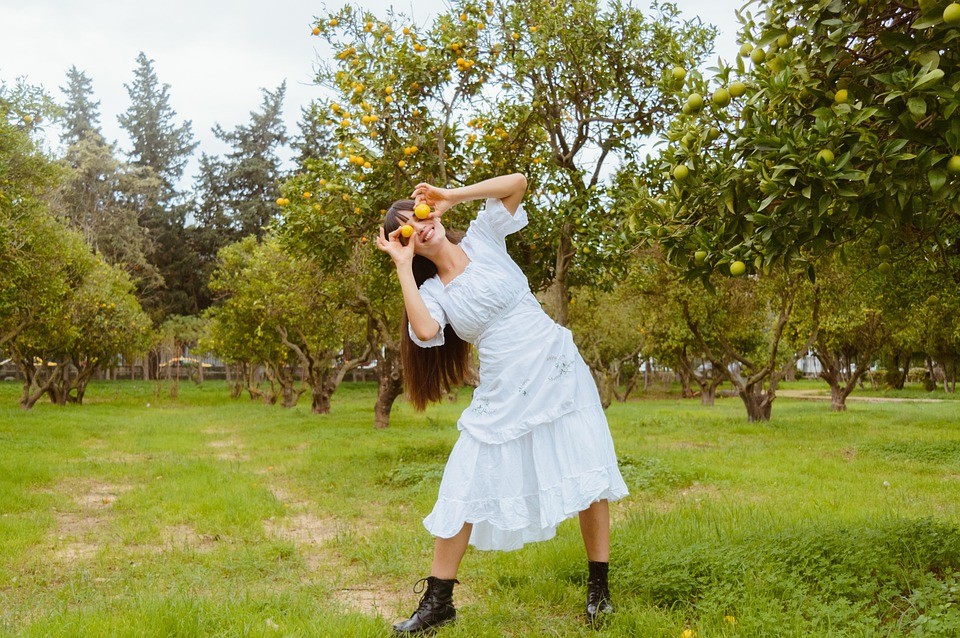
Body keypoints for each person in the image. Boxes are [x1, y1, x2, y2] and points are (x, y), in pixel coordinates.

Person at [376, 173, 629, 635]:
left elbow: (518, 182)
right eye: (406, 230)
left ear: (433, 213)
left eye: (419, 215)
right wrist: (402, 266)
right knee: (463, 481)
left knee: (587, 472)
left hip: (556, 368)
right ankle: (438, 604)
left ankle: (600, 593)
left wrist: (451, 196)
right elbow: (426, 331)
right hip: (503, 388)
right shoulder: (432, 291)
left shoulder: (484, 237)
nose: (419, 226)